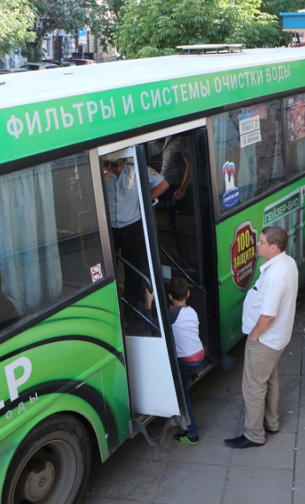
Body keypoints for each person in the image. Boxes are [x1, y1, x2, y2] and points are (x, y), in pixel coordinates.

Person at [224, 227, 298, 449]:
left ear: (273, 247)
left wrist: (254, 336)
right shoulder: (288, 264)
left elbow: (268, 316)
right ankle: (271, 423)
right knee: (270, 380)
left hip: (265, 341)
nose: (258, 245)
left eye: (262, 242)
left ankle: (254, 434)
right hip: (278, 339)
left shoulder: (275, 276)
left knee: (254, 387)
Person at [143, 277, 204, 444]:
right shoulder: (191, 311)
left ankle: (192, 434)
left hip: (187, 361)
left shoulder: (172, 314)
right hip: (199, 355)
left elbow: (149, 325)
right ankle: (193, 375)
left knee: (183, 397)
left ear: (170, 296)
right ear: (188, 293)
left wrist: (148, 304)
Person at [105, 157, 168, 311]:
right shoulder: (102, 172)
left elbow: (163, 184)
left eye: (120, 164)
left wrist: (145, 202)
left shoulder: (137, 168)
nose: (118, 169)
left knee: (133, 269)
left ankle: (131, 309)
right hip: (109, 228)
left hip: (132, 225)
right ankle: (112, 306)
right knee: (108, 270)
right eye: (114, 165)